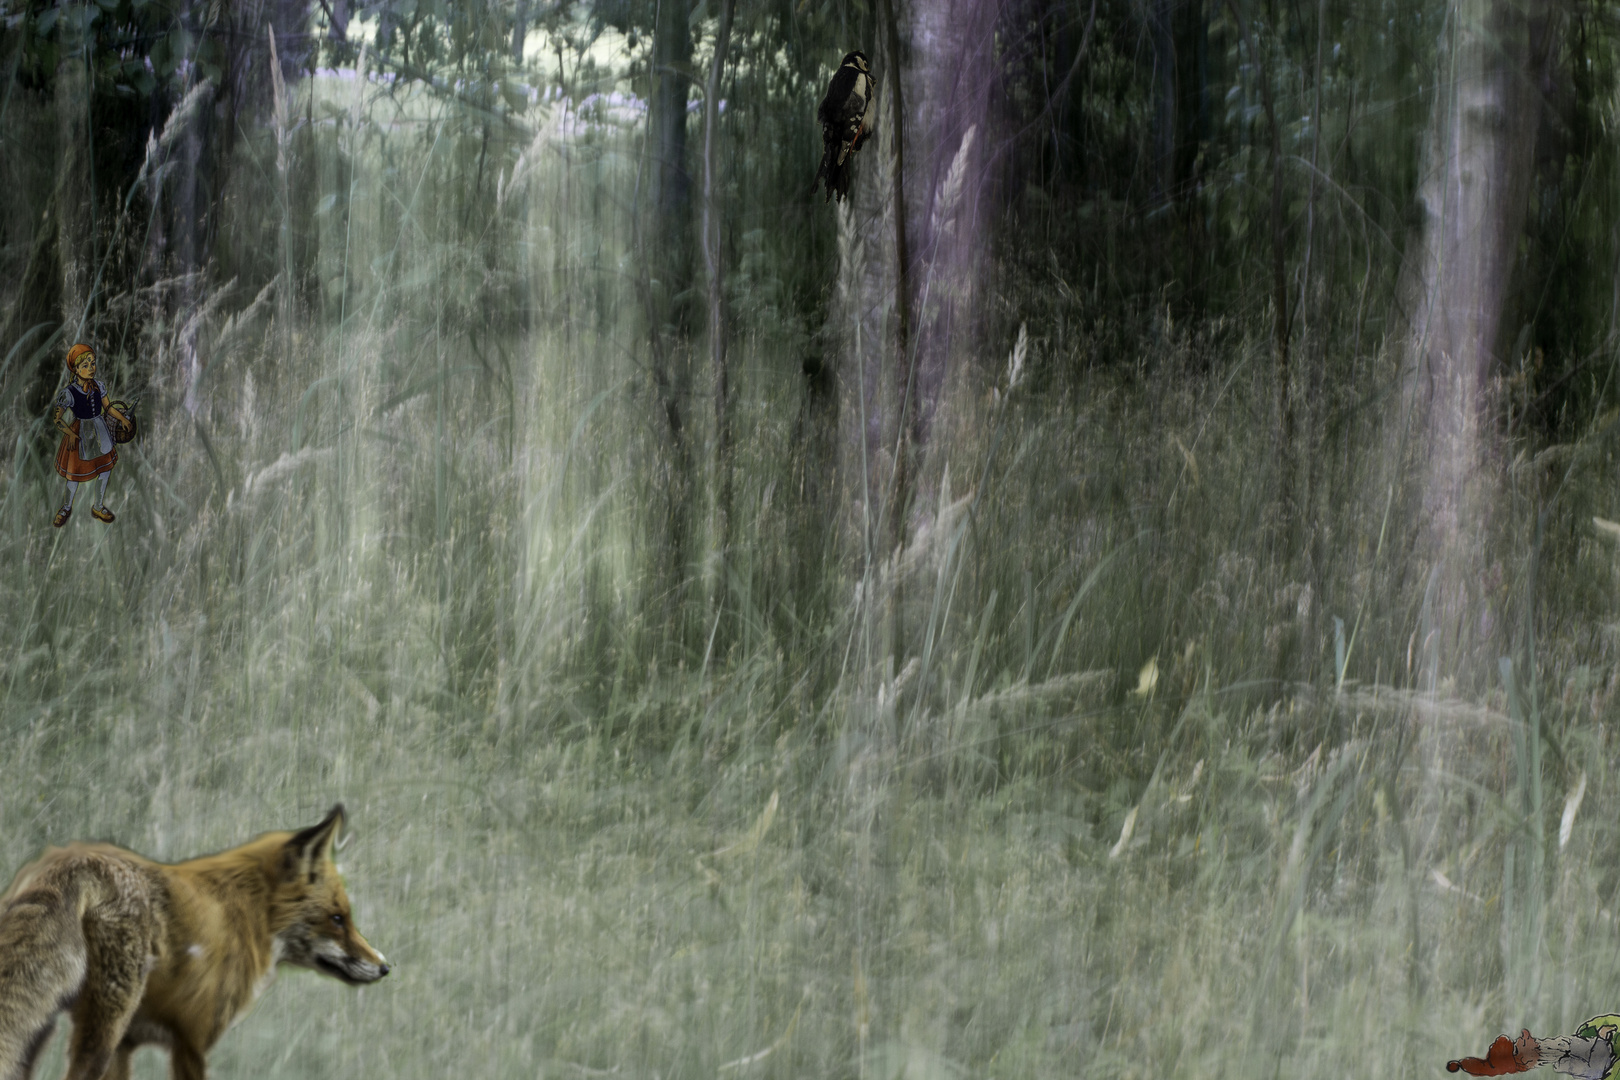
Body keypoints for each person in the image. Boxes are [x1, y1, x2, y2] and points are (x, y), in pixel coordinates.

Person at [50, 342, 127, 527]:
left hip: (99, 430)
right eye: (85, 365)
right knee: (73, 475)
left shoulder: (99, 385)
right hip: (80, 434)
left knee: (105, 469)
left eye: (92, 363)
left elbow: (108, 407)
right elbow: (57, 418)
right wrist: (69, 433)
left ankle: (98, 506)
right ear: (76, 370)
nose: (91, 368)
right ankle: (66, 507)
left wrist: (123, 419)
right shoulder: (68, 393)